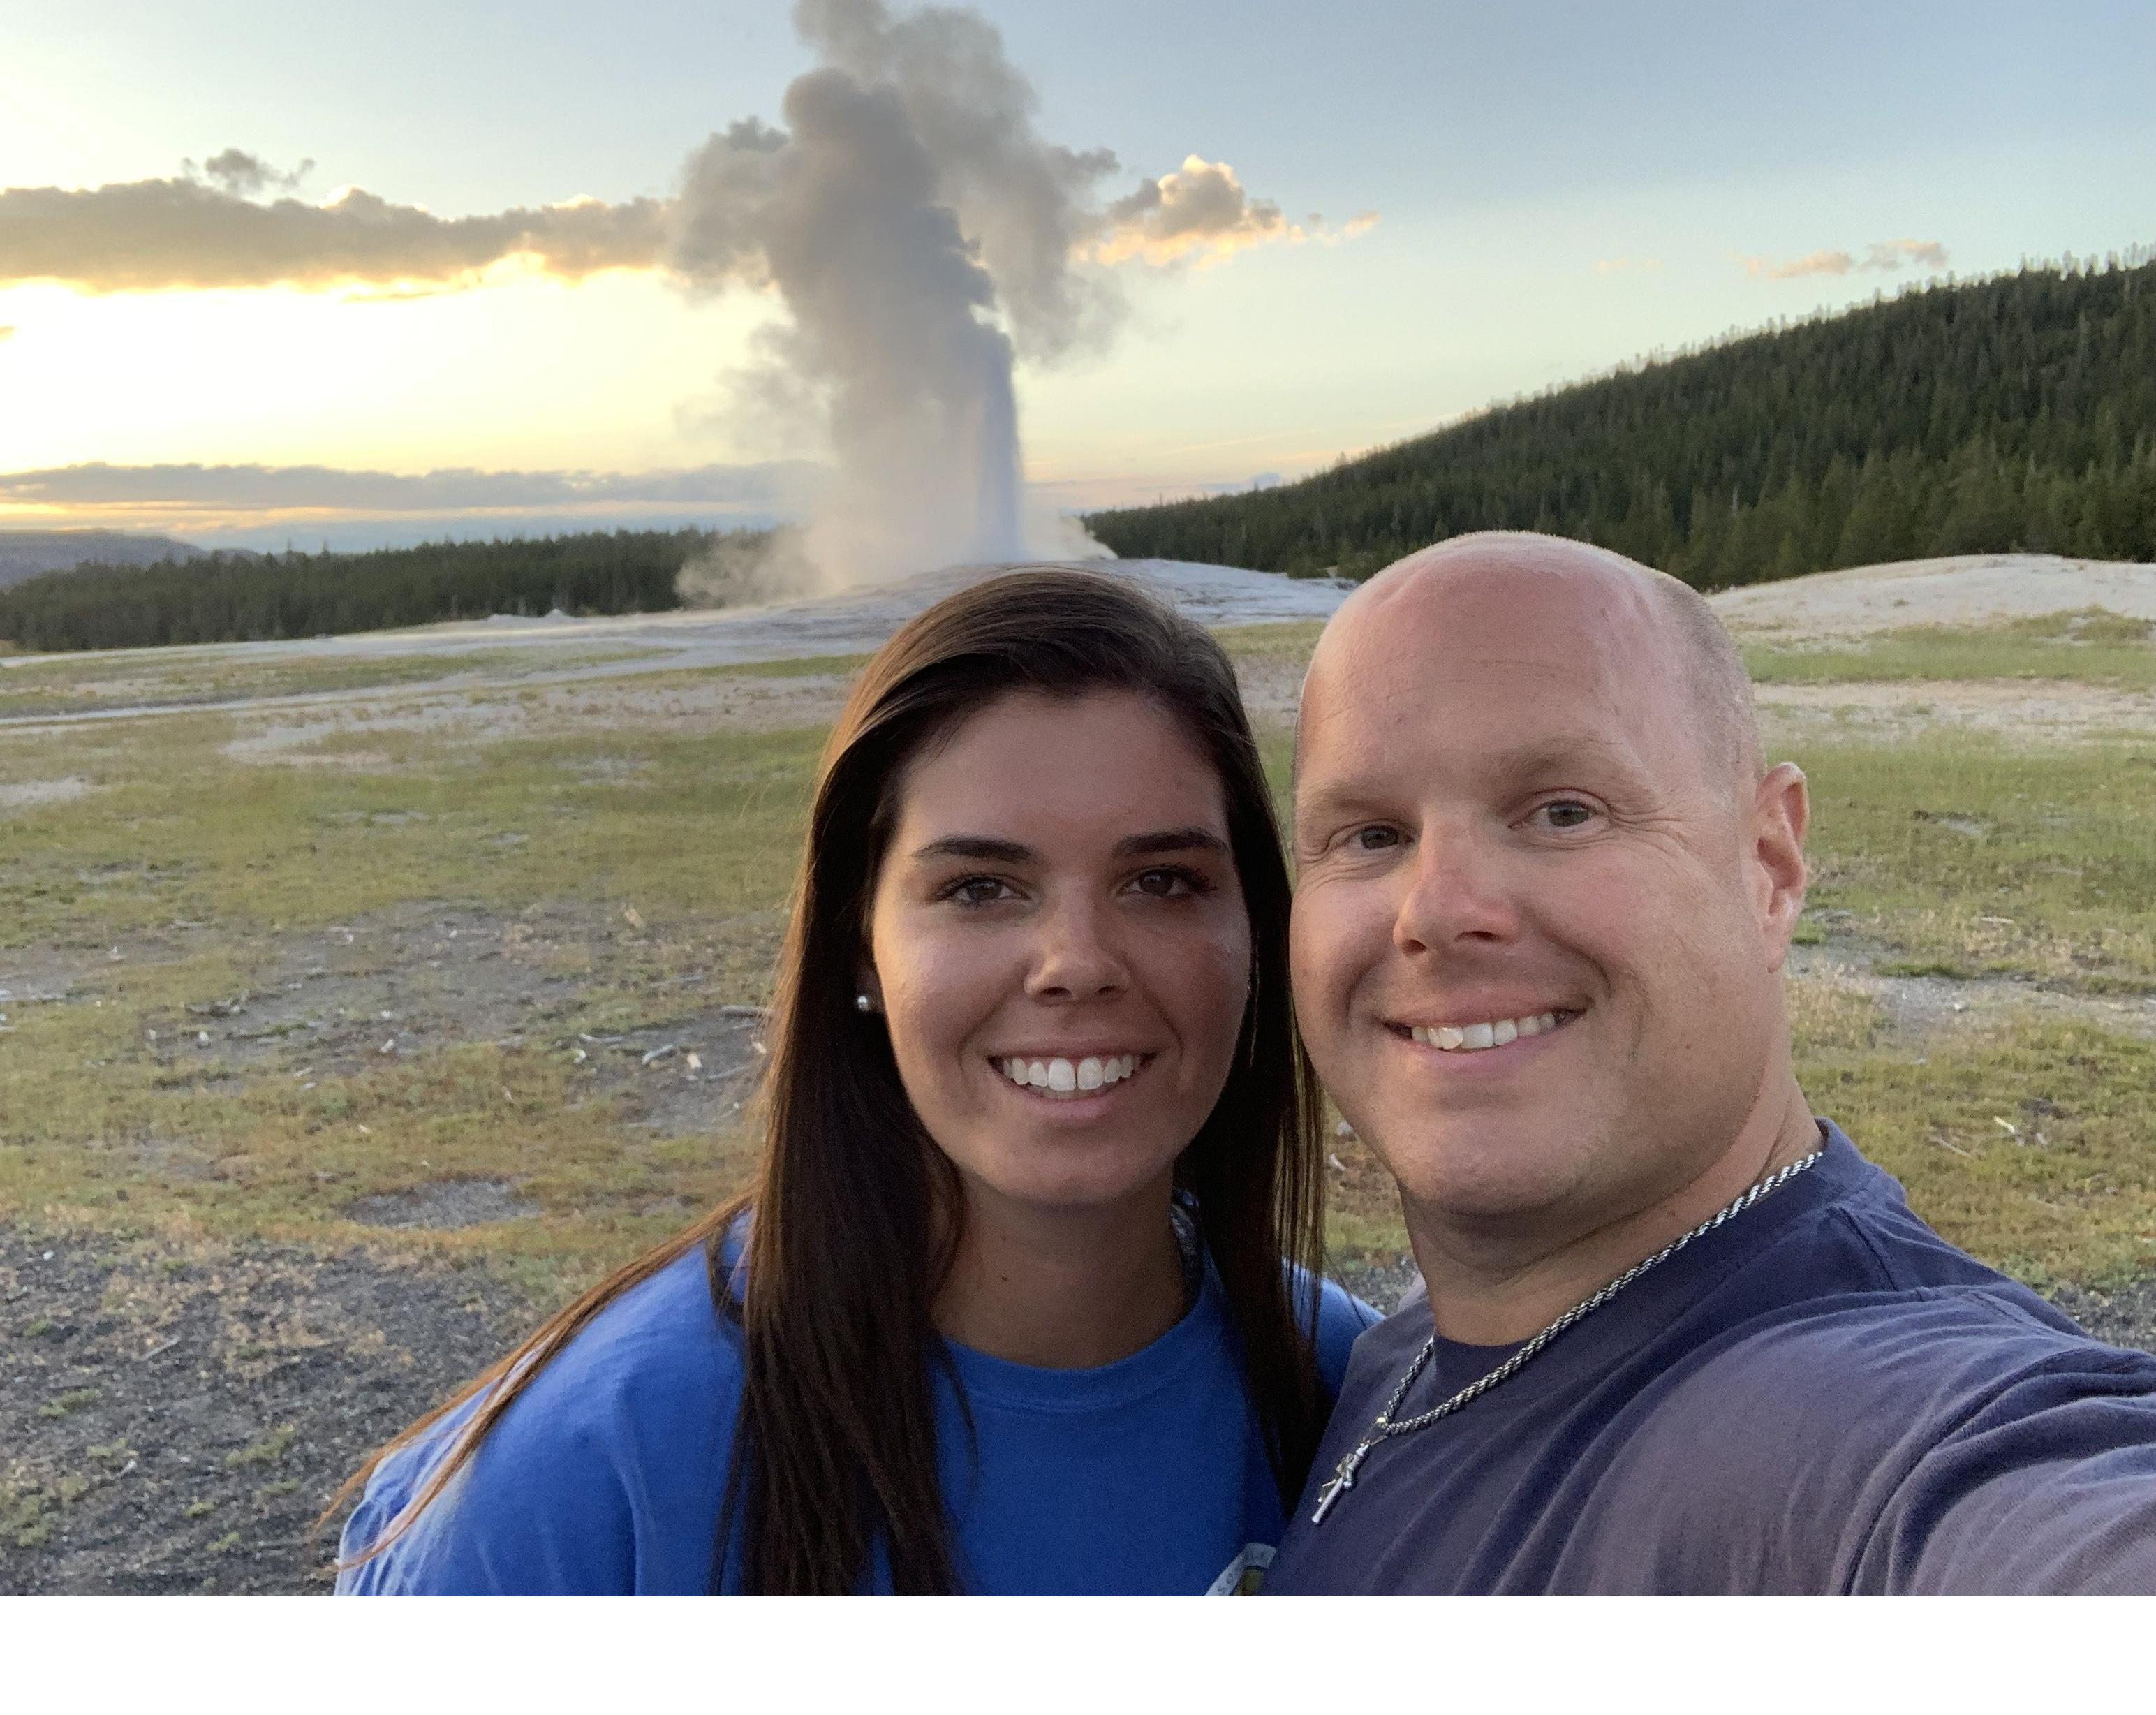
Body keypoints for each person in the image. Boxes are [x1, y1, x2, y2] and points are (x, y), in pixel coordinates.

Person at [335, 567, 1372, 1595]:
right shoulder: (587, 1483)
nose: (1076, 961)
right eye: (978, 889)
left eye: (1160, 882)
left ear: (1256, 932)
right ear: (861, 951)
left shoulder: (1348, 1394)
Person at [1265, 530, 2156, 1595]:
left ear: (1770, 869)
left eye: (1562, 812)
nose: (1440, 910)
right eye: (1369, 835)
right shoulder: (1394, 1357)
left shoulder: (1870, 1437)